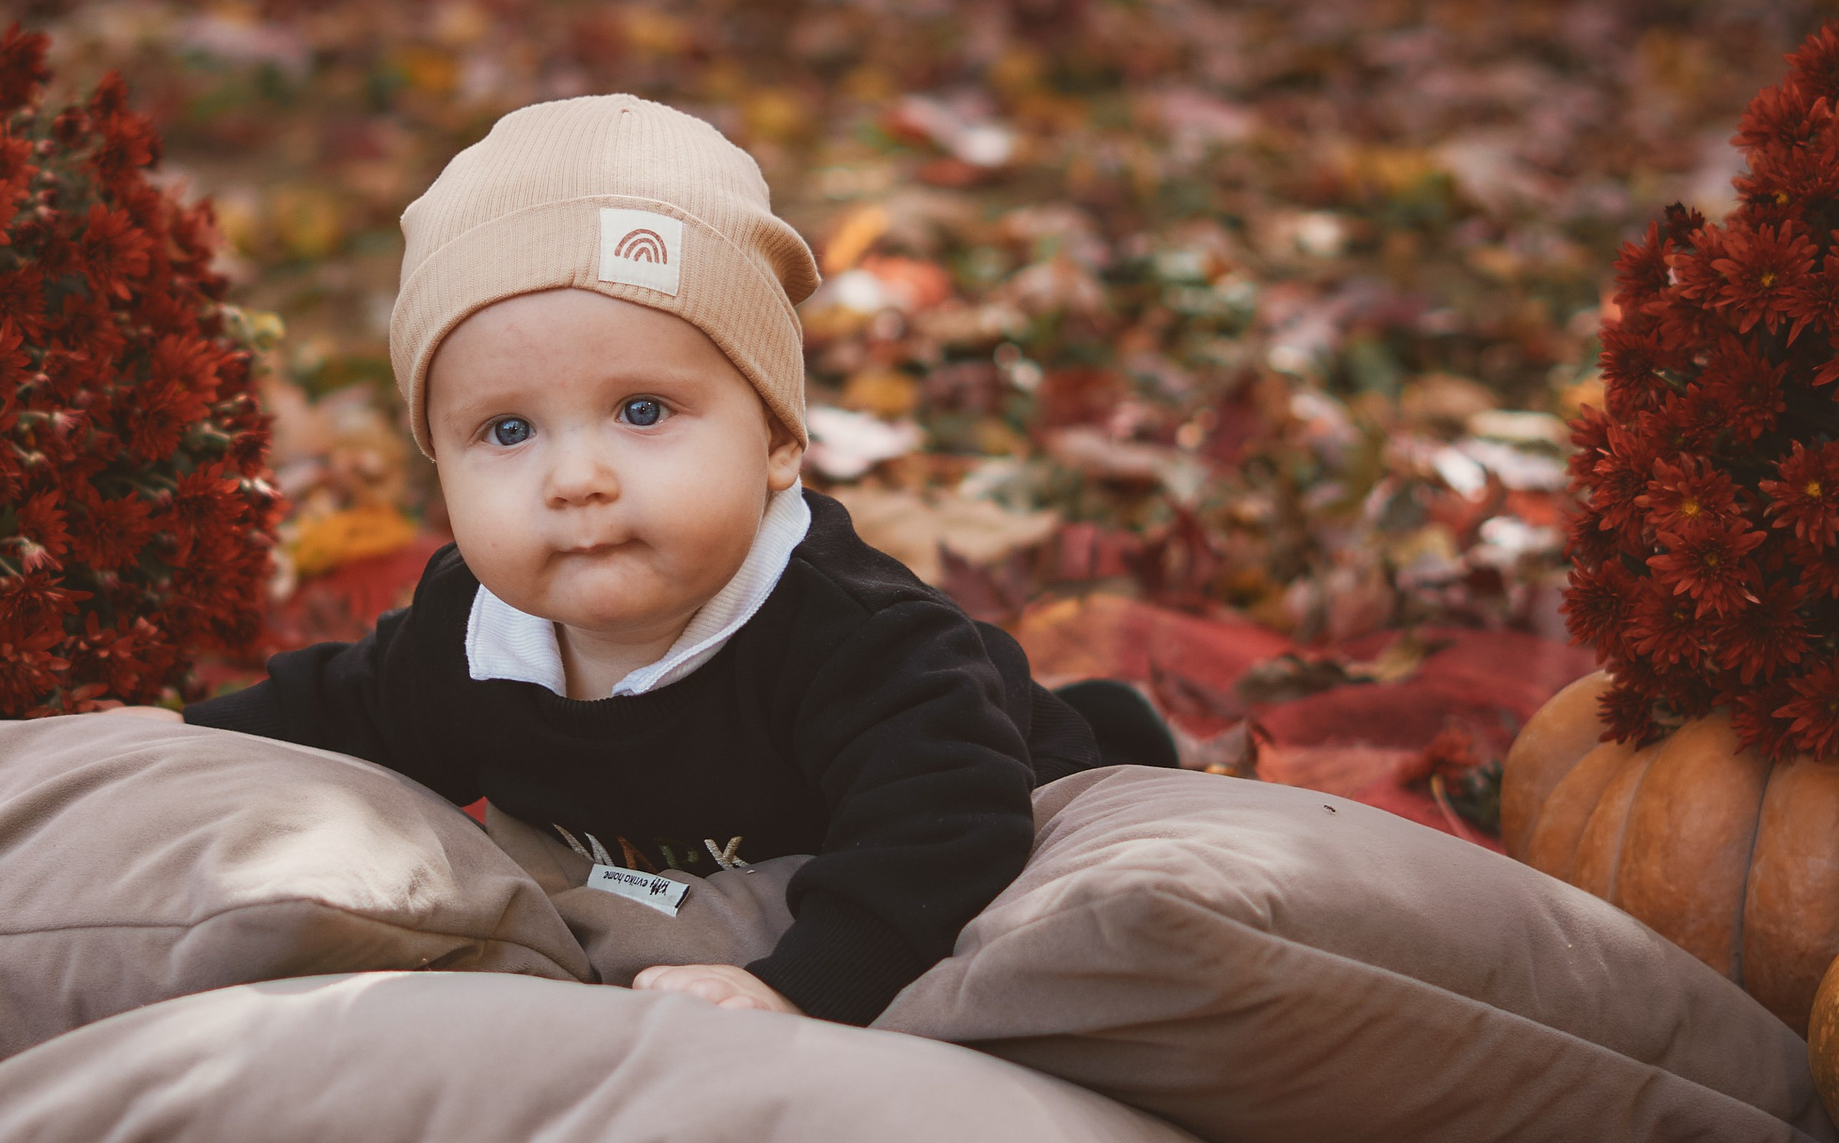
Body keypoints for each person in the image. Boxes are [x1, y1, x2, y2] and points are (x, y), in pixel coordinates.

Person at [182, 94, 1169, 1023]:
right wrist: (165, 738)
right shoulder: (472, 635)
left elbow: (943, 833)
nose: (576, 478)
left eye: (642, 411)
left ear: (778, 440)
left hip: (919, 824)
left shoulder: (854, 639)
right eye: (508, 430)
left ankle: (1115, 731)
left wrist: (797, 990)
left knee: (1045, 777)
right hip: (665, 892)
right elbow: (331, 714)